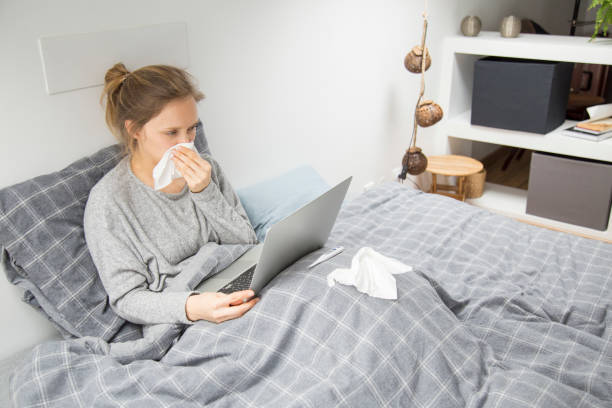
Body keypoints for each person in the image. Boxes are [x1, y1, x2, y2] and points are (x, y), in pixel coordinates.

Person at [84, 63, 259, 326]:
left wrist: (204, 191)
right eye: (171, 133)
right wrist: (193, 307)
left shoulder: (206, 168)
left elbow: (247, 241)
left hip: (238, 280)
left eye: (191, 128)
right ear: (135, 130)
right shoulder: (109, 202)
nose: (187, 143)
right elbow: (127, 299)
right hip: (187, 315)